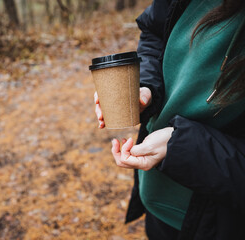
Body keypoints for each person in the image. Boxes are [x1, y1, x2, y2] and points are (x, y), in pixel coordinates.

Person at [94, 0, 245, 239]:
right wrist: (145, 87)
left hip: (219, 224)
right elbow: (155, 30)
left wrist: (180, 146)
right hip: (155, 196)